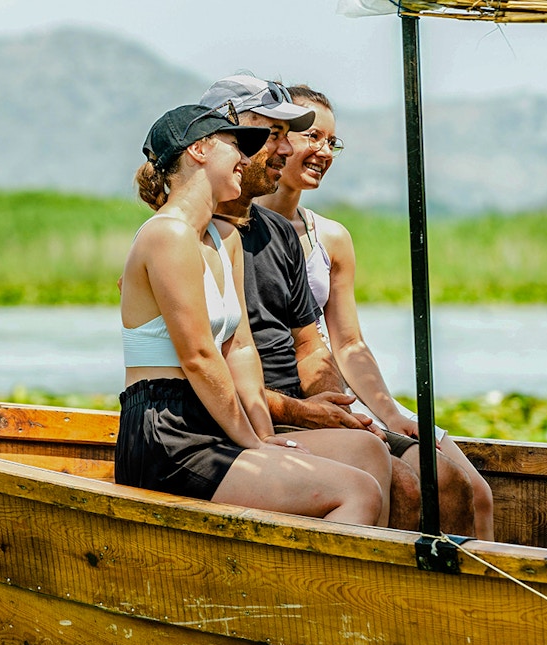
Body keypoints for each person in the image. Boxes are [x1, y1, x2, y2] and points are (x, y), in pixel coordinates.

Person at [198, 74, 476, 535]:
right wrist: (298, 413)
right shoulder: (189, 235)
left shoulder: (282, 233)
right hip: (247, 418)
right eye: (276, 137)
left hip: (296, 409)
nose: (286, 150)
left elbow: (315, 347)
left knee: (451, 482)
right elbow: (210, 367)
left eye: (290, 137)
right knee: (403, 485)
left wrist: (346, 410)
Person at [116, 102, 392, 527]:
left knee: (366, 451)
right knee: (355, 490)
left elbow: (240, 349)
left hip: (219, 420)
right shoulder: (167, 234)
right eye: (235, 146)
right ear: (200, 151)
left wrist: (263, 434)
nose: (247, 159)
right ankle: (323, 592)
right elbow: (199, 357)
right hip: (167, 431)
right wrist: (255, 445)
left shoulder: (223, 236)